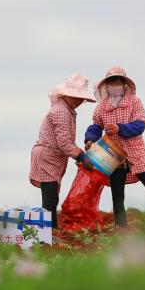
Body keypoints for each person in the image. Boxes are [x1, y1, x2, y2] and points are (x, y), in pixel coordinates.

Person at [84, 66, 145, 227]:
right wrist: (90, 139)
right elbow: (95, 126)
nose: (114, 85)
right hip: (113, 153)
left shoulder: (134, 101)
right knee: (117, 194)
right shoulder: (102, 106)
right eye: (111, 82)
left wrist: (119, 128)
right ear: (106, 85)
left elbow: (140, 125)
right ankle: (121, 228)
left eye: (118, 81)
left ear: (124, 84)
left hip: (135, 150)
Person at [29, 73, 96, 229]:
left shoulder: (66, 109)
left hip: (54, 158)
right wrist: (81, 156)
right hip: (47, 157)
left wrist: (78, 155)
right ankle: (49, 234)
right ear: (66, 95)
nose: (79, 101)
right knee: (50, 200)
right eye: (76, 97)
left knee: (52, 198)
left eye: (81, 98)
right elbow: (64, 143)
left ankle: (51, 232)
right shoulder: (61, 111)